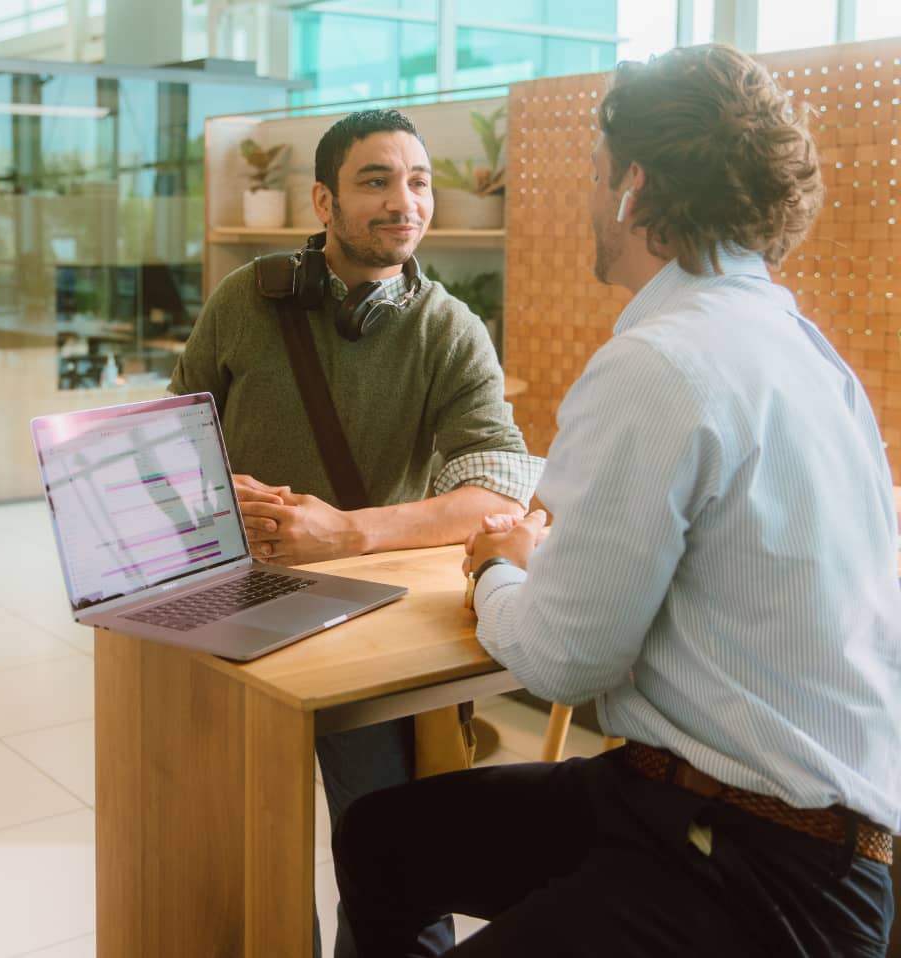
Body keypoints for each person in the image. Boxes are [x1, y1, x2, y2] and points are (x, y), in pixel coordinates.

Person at [331, 44, 899, 957]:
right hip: (724, 815)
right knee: (384, 837)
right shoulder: (795, 345)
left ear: (633, 185)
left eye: (594, 175)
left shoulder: (661, 362)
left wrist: (497, 577)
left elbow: (563, 662)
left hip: (757, 869)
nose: (587, 198)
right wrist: (540, 566)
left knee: (390, 838)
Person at [169, 108, 544, 957]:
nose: (402, 201)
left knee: (390, 858)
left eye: (417, 182)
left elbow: (493, 488)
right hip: (233, 609)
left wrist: (345, 534)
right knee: (235, 854)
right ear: (323, 201)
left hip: (370, 625)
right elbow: (171, 430)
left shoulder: (450, 329)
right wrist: (210, 483)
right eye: (375, 181)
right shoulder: (245, 300)